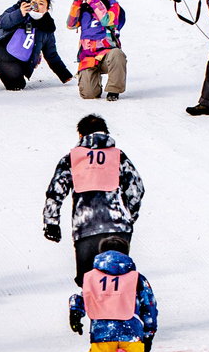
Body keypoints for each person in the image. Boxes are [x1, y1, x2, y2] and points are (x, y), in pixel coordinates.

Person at [43, 114, 146, 278]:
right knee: (119, 278)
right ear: (105, 133)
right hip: (119, 228)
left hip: (86, 229)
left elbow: (56, 191)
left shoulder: (71, 159)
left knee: (89, 282)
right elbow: (136, 188)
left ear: (81, 135)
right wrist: (129, 215)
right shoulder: (119, 157)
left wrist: (51, 223)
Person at [67, 0, 127, 99]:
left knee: (117, 54)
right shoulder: (83, 9)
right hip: (88, 56)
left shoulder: (112, 5)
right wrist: (76, 2)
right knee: (88, 94)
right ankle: (94, 81)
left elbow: (107, 21)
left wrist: (93, 1)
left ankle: (114, 90)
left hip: (107, 54)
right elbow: (71, 24)